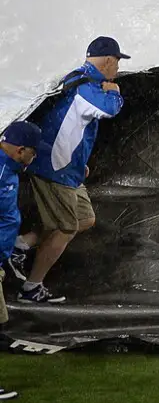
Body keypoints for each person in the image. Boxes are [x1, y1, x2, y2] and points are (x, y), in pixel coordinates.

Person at [13, 37, 127, 304]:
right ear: (109, 60)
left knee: (84, 220)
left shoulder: (80, 77)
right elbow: (109, 109)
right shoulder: (88, 87)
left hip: (68, 166)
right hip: (57, 168)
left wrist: (79, 161)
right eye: (118, 63)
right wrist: (115, 90)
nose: (118, 70)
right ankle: (31, 287)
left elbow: (71, 126)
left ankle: (21, 244)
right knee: (65, 228)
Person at [1, 121, 41, 400]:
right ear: (21, 149)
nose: (34, 157)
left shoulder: (9, 168)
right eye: (33, 153)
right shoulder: (2, 172)